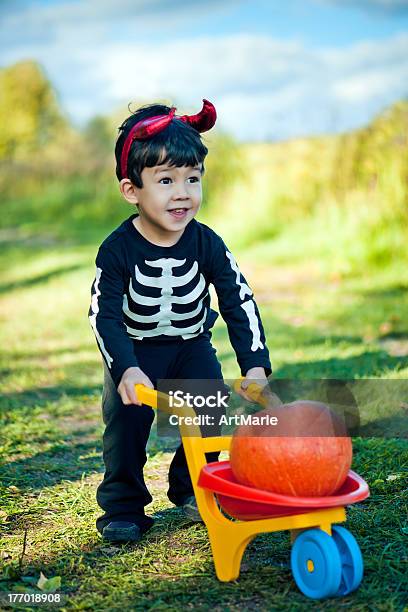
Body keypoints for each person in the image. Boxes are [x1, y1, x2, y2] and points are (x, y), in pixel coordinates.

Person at [88, 99, 272, 543]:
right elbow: (103, 314)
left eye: (192, 179)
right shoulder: (117, 250)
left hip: (192, 346)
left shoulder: (206, 242)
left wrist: (255, 362)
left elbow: (237, 299)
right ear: (132, 190)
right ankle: (123, 506)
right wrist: (125, 367)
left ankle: (191, 487)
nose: (182, 193)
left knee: (208, 412)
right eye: (165, 180)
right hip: (135, 351)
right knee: (127, 430)